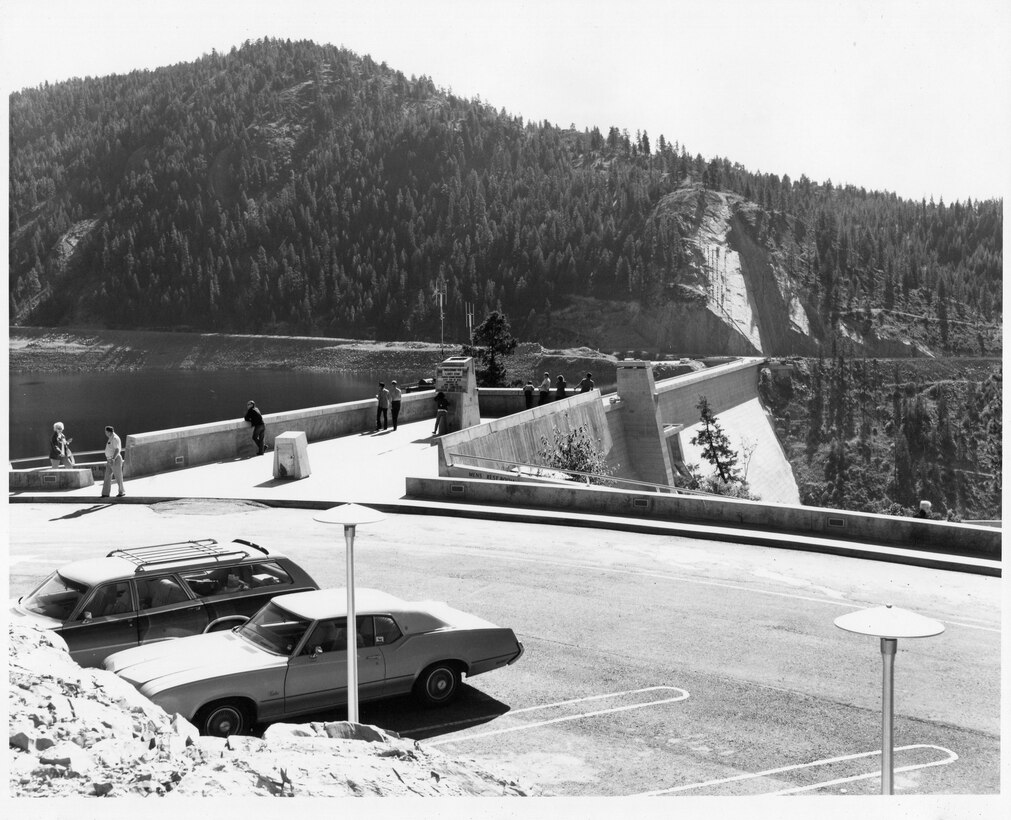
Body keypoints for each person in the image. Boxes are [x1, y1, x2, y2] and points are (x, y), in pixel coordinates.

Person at [101, 425, 126, 498]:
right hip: (109, 460)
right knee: (107, 477)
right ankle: (105, 493)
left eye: (106, 432)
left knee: (118, 476)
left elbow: (117, 449)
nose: (105, 433)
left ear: (109, 432)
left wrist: (113, 459)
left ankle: (121, 492)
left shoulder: (115, 438)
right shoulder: (110, 438)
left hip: (115, 459)